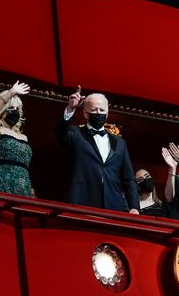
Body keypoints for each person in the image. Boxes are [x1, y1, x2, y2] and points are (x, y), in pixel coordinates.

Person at [56, 86, 139, 214]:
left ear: (107, 113)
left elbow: (128, 178)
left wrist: (134, 207)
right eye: (94, 110)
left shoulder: (120, 143)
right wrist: (70, 109)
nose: (98, 113)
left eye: (102, 110)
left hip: (113, 206)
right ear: (85, 113)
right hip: (82, 203)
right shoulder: (75, 134)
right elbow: (60, 133)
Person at [0, 81, 33, 197]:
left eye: (18, 108)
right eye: (11, 107)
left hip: (23, 184)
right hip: (1, 182)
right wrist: (11, 93)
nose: (15, 111)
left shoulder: (23, 136)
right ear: (2, 110)